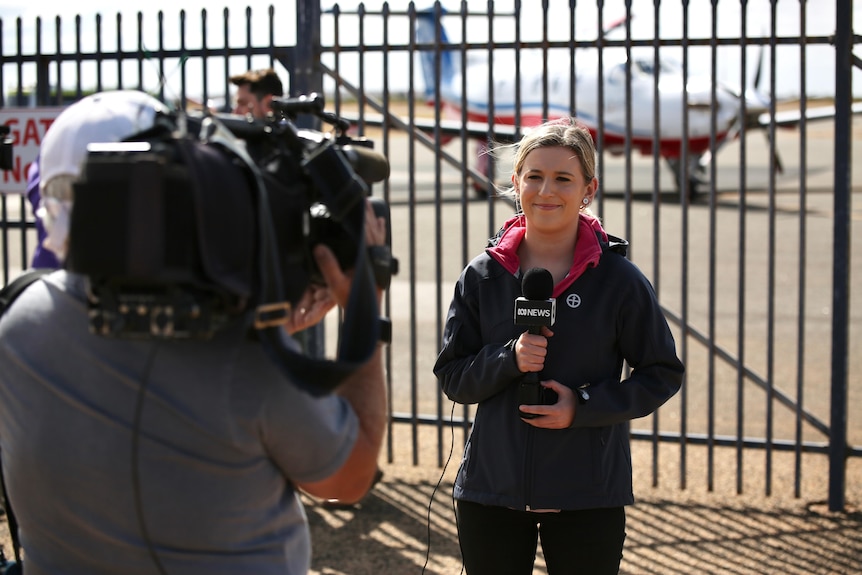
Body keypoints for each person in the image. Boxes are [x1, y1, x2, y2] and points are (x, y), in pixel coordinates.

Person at [0, 90, 388, 575]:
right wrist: (364, 312)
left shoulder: (18, 325)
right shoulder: (241, 355)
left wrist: (273, 332)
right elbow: (348, 478)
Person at [433, 118, 685, 575]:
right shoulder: (482, 276)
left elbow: (661, 372)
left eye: (563, 178)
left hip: (586, 494)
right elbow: (453, 376)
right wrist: (506, 359)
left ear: (588, 189)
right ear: (515, 182)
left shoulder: (618, 281)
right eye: (534, 176)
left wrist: (583, 405)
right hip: (491, 493)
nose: (546, 190)